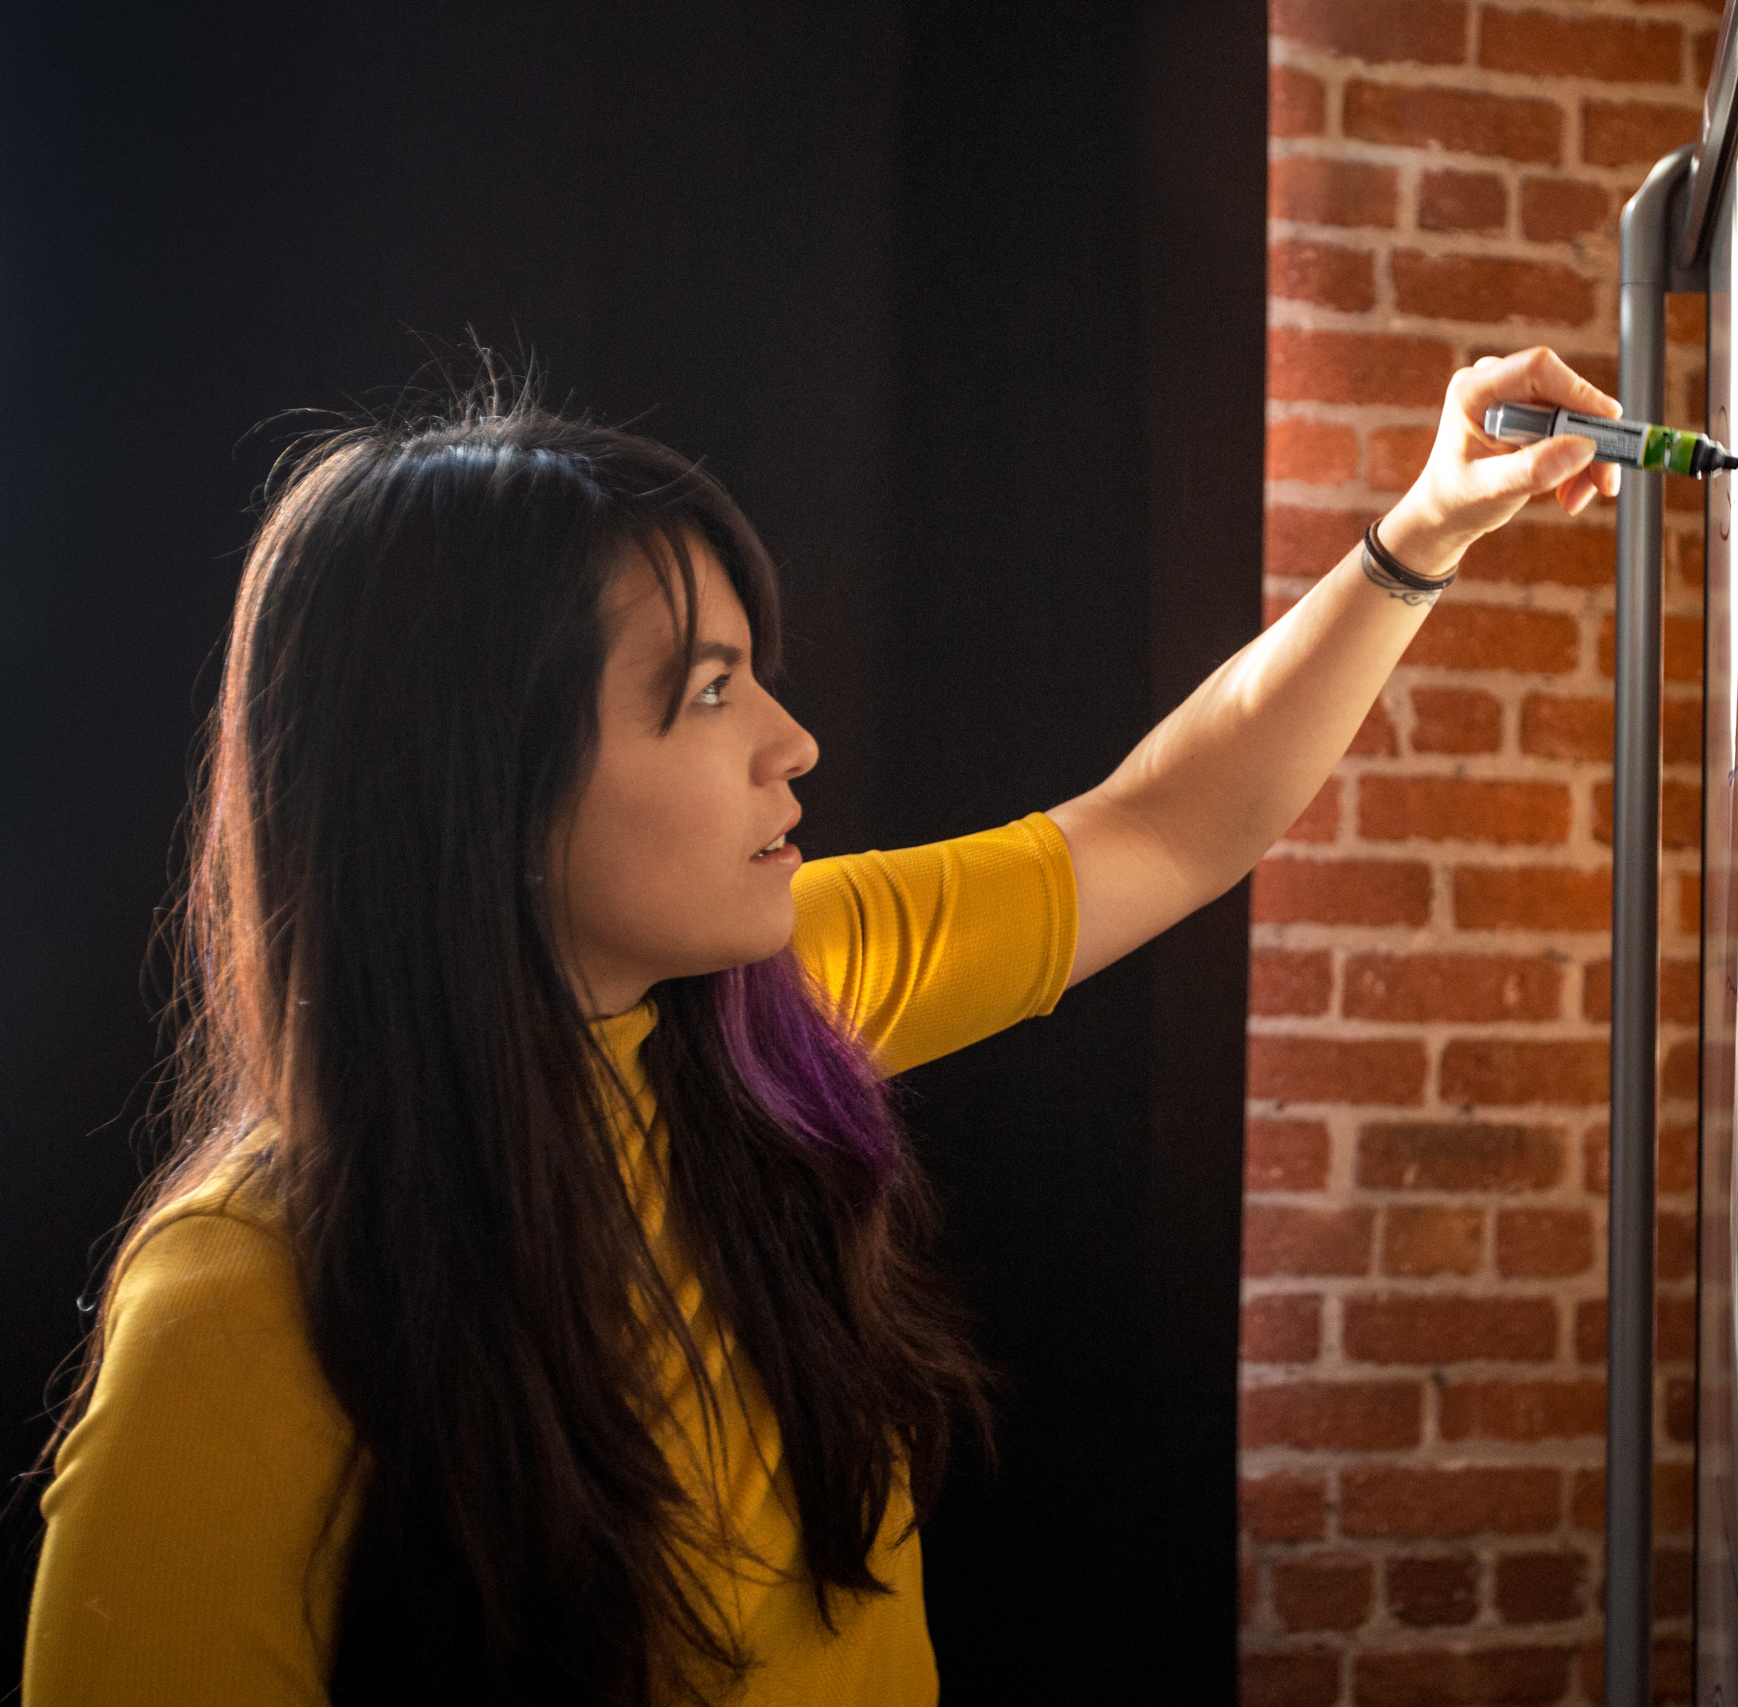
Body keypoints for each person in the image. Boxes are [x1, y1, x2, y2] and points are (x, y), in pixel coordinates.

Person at [21, 347, 1621, 1705]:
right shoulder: (240, 1315)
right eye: (708, 692)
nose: (793, 740)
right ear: (480, 790)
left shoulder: (774, 1000)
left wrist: (1422, 530)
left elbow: (1169, 826)